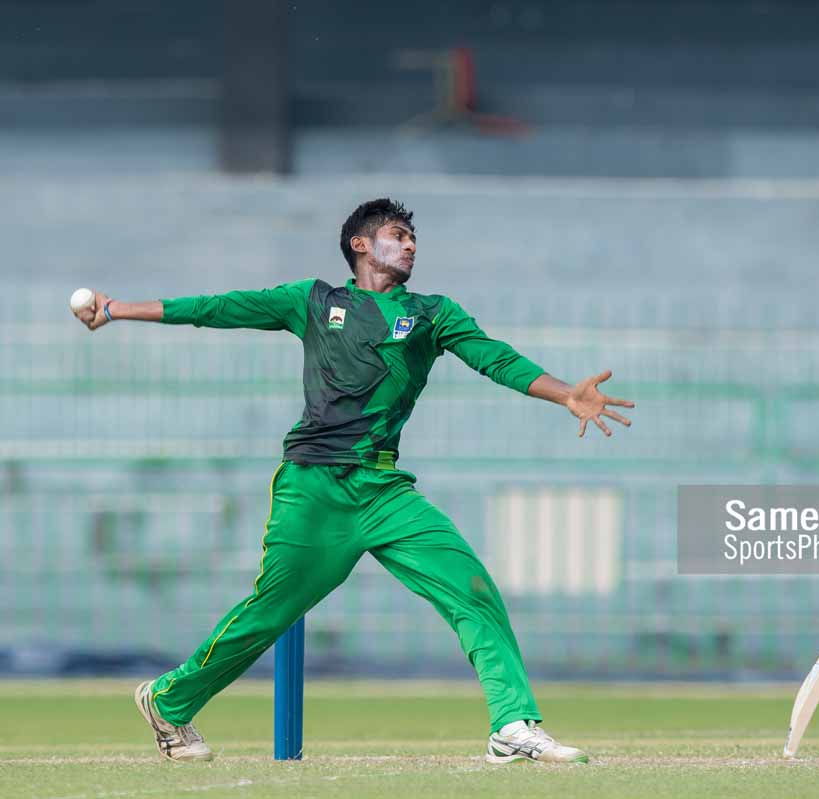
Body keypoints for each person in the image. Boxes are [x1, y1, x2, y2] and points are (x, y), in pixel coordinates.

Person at [72, 198, 634, 764]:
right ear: (361, 245)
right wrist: (115, 309)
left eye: (413, 238)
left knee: (472, 589)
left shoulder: (433, 313)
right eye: (398, 234)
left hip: (385, 491)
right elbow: (216, 308)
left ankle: (512, 725)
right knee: (270, 612)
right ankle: (169, 701)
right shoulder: (314, 301)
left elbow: (496, 359)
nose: (410, 245)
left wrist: (566, 394)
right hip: (313, 487)